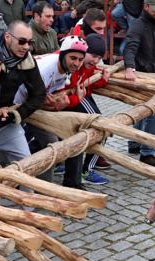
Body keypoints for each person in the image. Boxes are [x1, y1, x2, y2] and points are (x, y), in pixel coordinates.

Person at [0, 21, 45, 166]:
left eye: (30, 42)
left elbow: (39, 94)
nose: (26, 47)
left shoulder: (27, 61)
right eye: (22, 41)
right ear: (7, 37)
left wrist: (16, 115)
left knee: (27, 167)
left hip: (6, 125)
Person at [17, 35, 87, 181]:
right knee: (11, 148)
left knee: (52, 144)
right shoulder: (45, 70)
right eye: (73, 58)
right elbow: (37, 101)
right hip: (15, 106)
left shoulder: (64, 69)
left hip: (33, 108)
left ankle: (43, 186)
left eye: (80, 59)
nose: (77, 63)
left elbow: (50, 97)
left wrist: (58, 103)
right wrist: (56, 105)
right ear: (63, 54)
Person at [61, 33, 110, 189]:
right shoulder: (74, 65)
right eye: (93, 55)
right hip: (72, 102)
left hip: (77, 99)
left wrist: (102, 79)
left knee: (98, 129)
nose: (95, 60)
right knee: (102, 125)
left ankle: (84, 169)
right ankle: (85, 170)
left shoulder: (87, 66)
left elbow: (88, 83)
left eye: (99, 58)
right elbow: (69, 91)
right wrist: (77, 97)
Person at [123, 0, 155, 168]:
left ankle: (135, 142)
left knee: (147, 110)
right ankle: (147, 153)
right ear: (146, 7)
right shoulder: (137, 25)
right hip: (142, 75)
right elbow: (130, 49)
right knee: (153, 112)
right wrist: (129, 68)